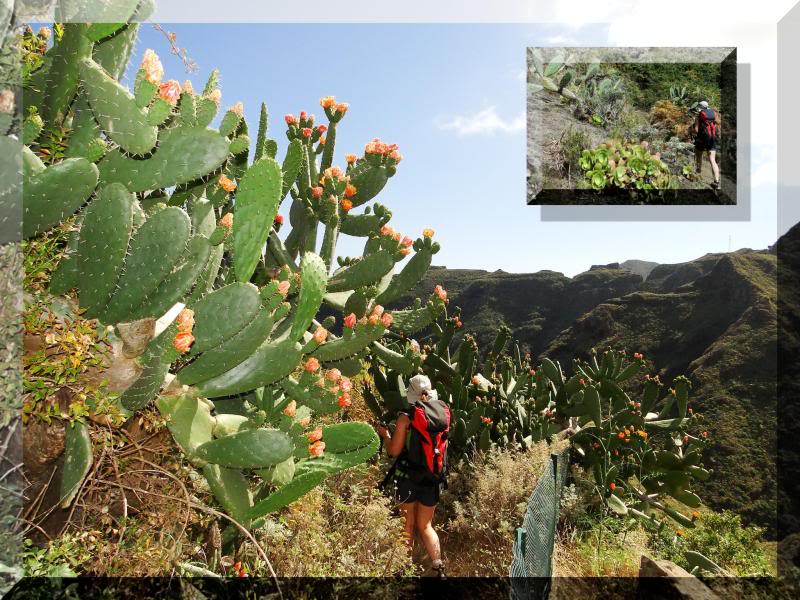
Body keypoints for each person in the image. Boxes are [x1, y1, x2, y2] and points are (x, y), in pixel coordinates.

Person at [377, 374, 449, 577]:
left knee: (407, 524)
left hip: (408, 477)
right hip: (433, 478)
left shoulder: (405, 418)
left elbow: (395, 451)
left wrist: (386, 436)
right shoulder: (441, 415)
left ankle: (404, 569)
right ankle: (438, 567)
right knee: (426, 525)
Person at [692, 100, 721, 189]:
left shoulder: (698, 116)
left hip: (701, 139)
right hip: (712, 139)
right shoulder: (713, 114)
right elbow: (717, 125)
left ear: (700, 107)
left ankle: (698, 174)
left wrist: (692, 130)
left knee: (699, 156)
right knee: (712, 160)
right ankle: (716, 181)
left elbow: (696, 130)